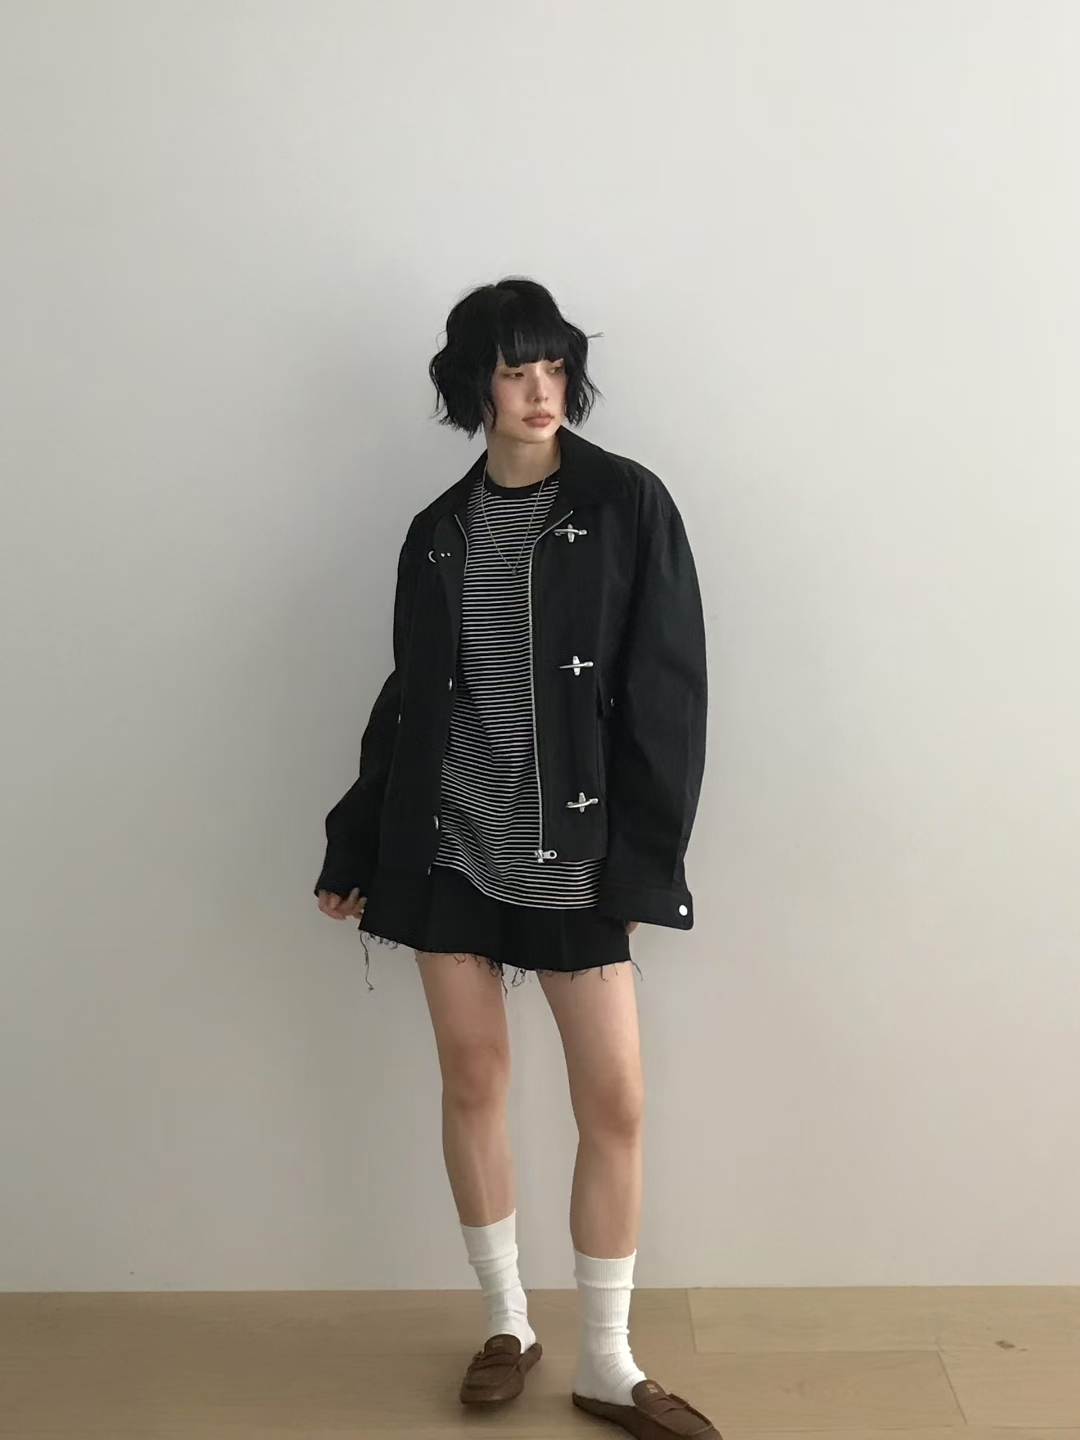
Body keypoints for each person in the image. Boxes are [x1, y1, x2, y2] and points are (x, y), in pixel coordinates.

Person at [314, 278, 716, 1438]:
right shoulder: (437, 530)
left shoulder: (627, 504)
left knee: (616, 1100)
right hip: (450, 844)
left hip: (577, 851)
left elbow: (668, 696)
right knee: (474, 1078)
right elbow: (410, 700)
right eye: (513, 370)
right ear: (473, 384)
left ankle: (608, 1360)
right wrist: (356, 842)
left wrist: (642, 866)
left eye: (553, 367)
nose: (541, 392)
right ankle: (507, 1324)